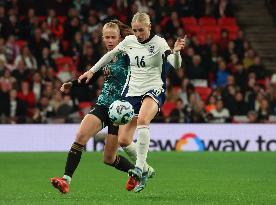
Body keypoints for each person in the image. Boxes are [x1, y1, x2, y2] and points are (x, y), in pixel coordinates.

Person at [79, 12, 186, 192]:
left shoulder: (159, 43)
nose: (138, 34)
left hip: (154, 89)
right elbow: (109, 55)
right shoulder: (129, 42)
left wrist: (176, 52)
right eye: (135, 30)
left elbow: (175, 64)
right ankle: (144, 171)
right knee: (123, 139)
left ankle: (139, 166)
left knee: (143, 121)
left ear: (149, 27)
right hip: (133, 93)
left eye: (141, 30)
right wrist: (91, 71)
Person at [50, 20, 143, 194]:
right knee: (80, 136)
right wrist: (72, 83)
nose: (109, 40)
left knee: (109, 159)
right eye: (106, 37)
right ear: (102, 38)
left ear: (120, 38)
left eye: (113, 37)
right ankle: (65, 180)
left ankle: (136, 174)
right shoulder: (106, 58)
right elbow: (90, 77)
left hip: (120, 111)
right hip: (103, 105)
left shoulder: (128, 54)